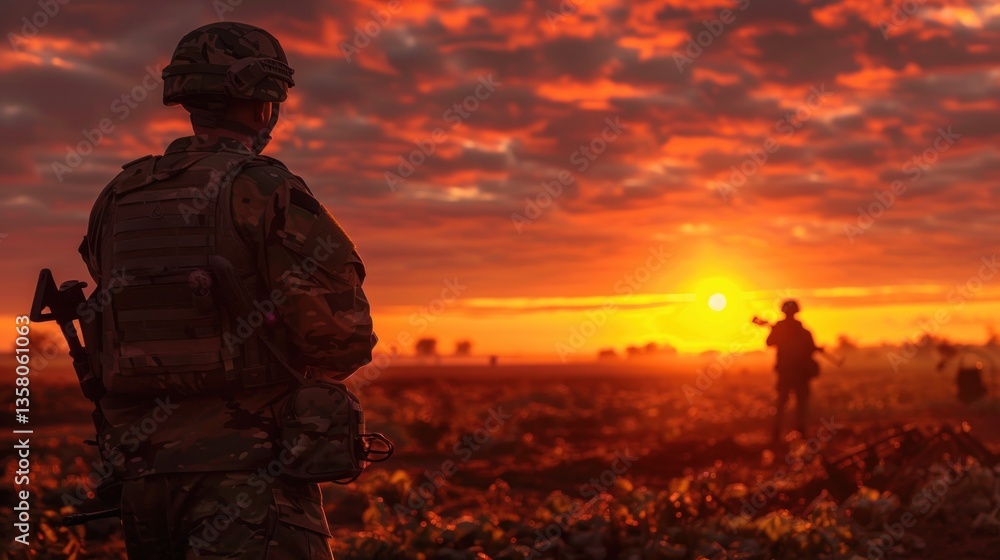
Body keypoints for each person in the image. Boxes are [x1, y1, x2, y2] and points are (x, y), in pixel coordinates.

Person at [78, 22, 376, 559]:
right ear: (265, 103)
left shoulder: (119, 195)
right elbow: (342, 338)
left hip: (145, 480)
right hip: (251, 484)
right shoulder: (264, 188)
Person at [765, 299, 819, 443]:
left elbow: (769, 342)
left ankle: (778, 434)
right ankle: (797, 432)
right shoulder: (803, 331)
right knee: (798, 403)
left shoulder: (789, 330)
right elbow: (811, 349)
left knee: (784, 402)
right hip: (796, 373)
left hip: (789, 372)